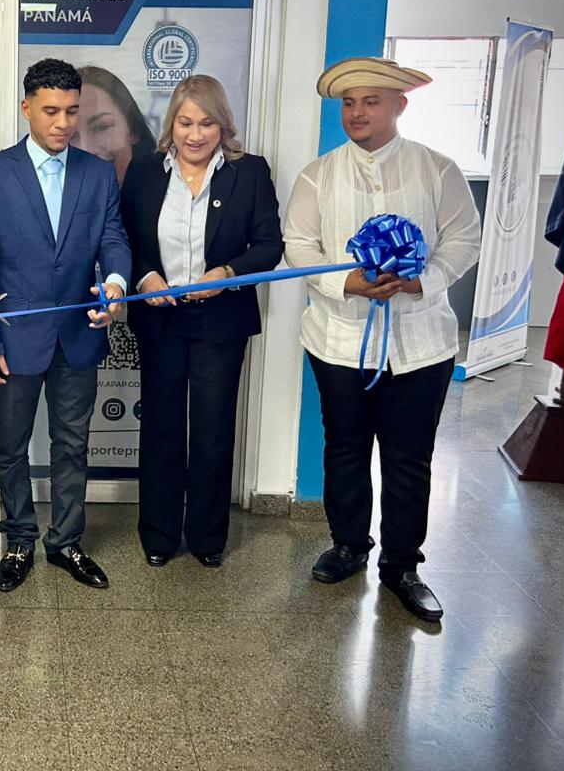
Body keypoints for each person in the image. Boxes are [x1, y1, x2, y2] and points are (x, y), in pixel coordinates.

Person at [283, 57, 481, 622]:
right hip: (338, 341)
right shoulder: (318, 175)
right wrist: (343, 281)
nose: (357, 113)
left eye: (370, 101)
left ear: (400, 105)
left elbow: (464, 240)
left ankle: (402, 564)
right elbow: (298, 246)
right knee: (344, 447)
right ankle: (349, 545)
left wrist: (422, 279)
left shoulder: (437, 171)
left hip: (421, 346)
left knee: (408, 457)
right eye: (348, 103)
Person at [0, 59, 131, 592]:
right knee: (11, 446)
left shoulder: (97, 172)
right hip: (14, 339)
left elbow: (113, 239)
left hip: (80, 334)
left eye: (71, 111)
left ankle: (65, 542)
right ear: (26, 109)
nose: (62, 122)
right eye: (50, 111)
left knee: (72, 444)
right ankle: (18, 539)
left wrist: (114, 284)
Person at [120, 75, 283, 568]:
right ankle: (159, 535)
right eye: (186, 122)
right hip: (161, 320)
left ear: (223, 124)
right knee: (162, 428)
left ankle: (208, 538)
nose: (195, 134)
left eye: (207, 123)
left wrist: (229, 272)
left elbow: (270, 245)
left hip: (221, 321)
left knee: (212, 430)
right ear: (172, 123)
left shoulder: (249, 172)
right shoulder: (146, 171)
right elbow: (125, 238)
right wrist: (145, 275)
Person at [76, 65, 159, 188]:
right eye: (71, 135)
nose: (86, 148)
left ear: (133, 129)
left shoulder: (169, 198)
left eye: (101, 127)